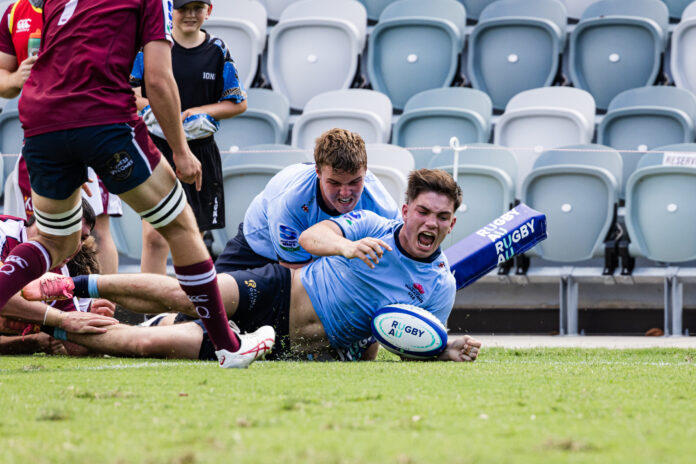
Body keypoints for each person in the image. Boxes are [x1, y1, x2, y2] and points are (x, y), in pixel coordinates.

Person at [0, 0, 272, 368]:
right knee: (180, 225)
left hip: (41, 117)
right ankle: (228, 347)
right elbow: (158, 80)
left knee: (53, 241)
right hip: (101, 117)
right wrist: (180, 150)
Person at [25, 169, 482, 362]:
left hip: (287, 347)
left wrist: (445, 350)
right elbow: (311, 237)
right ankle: (71, 281)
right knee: (185, 293)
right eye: (423, 211)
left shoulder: (440, 285)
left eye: (442, 217)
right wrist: (345, 248)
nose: (431, 223)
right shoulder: (371, 225)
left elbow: (412, 338)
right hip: (278, 288)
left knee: (151, 343)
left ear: (451, 224)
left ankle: (55, 329)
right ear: (406, 212)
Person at [0, 0, 122, 274]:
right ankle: (53, 304)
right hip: (37, 140)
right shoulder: (14, 13)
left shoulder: (90, 5)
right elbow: (3, 80)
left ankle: (103, 308)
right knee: (38, 229)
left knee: (93, 230)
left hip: (90, 133)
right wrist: (17, 78)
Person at [130, 0, 247, 274]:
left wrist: (199, 112)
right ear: (171, 11)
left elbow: (237, 102)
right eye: (183, 8)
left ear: (209, 10)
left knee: (195, 238)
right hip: (155, 148)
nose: (191, 15)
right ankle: (153, 311)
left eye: (198, 7)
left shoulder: (217, 50)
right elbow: (129, 93)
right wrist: (154, 108)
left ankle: (196, 308)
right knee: (154, 237)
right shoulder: (151, 47)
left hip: (200, 152)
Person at [215, 127, 400, 273]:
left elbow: (399, 260)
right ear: (317, 172)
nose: (345, 193)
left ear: (365, 171)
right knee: (204, 301)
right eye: (334, 183)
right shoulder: (291, 202)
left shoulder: (382, 204)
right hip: (260, 245)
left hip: (322, 252)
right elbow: (295, 276)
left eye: (355, 182)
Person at [0, 198, 118, 348]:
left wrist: (92, 319)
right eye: (71, 234)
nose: (76, 247)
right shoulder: (4, 233)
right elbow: (4, 296)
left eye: (82, 239)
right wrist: (60, 319)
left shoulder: (62, 274)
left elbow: (78, 346)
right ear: (47, 224)